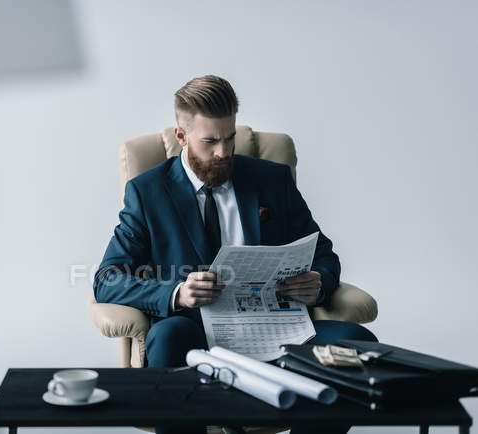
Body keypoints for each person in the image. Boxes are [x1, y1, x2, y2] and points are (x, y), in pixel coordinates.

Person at [94, 75, 376, 434]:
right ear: (181, 136)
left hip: (276, 329)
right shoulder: (147, 192)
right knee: (167, 338)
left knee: (360, 345)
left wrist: (318, 282)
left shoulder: (272, 180)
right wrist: (176, 293)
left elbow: (323, 253)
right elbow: (108, 279)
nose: (223, 153)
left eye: (229, 139)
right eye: (210, 142)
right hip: (193, 333)